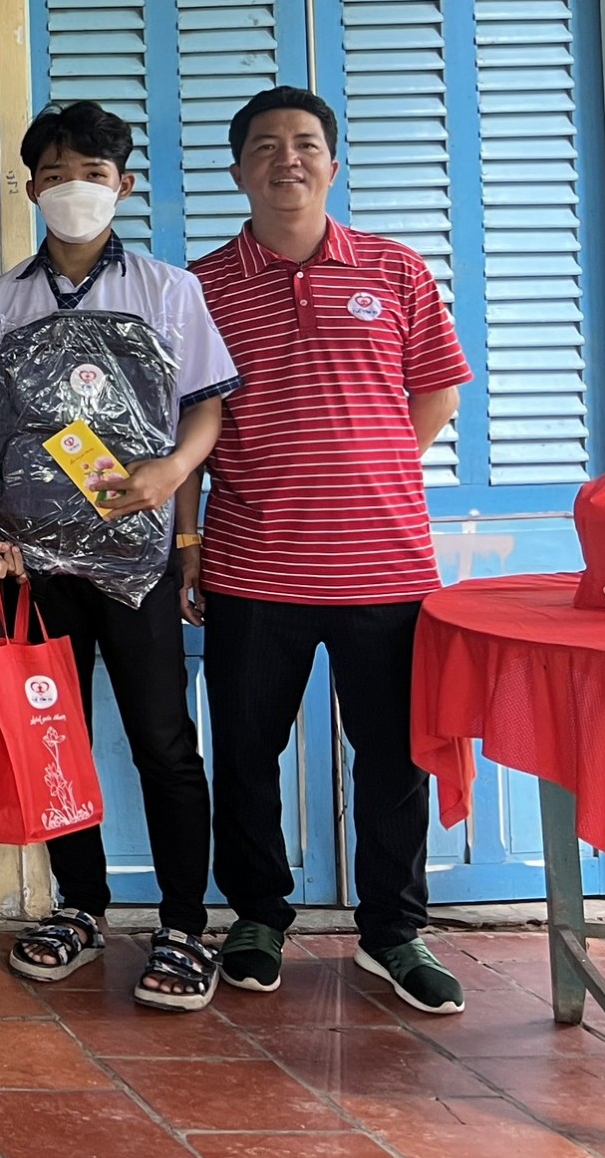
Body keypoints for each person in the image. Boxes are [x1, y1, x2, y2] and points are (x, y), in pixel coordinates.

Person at [191, 87, 471, 1016]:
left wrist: (361, 471)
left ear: (333, 163)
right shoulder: (200, 287)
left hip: (386, 569)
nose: (288, 160)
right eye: (266, 147)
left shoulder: (395, 269)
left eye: (306, 144)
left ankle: (394, 931)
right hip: (252, 566)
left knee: (394, 756)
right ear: (239, 171)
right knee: (245, 752)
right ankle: (258, 916)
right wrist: (188, 546)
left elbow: (436, 395)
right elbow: (188, 422)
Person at [0, 103, 239, 1011]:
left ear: (122, 185)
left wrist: (174, 471)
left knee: (164, 740)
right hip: (35, 565)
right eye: (54, 174)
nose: (72, 189)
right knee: (55, 734)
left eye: (91, 173)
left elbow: (205, 405)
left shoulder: (168, 290)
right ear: (31, 188)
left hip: (139, 563)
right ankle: (78, 905)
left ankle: (183, 924)